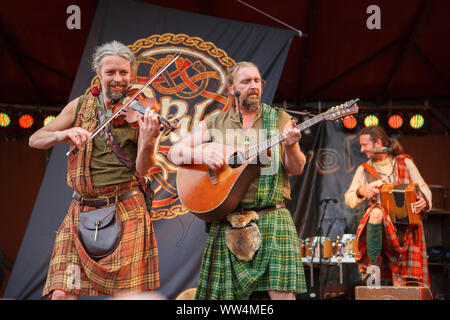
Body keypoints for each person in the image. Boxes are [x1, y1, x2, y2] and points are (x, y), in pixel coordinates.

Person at [29, 41, 161, 299]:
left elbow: (143, 169)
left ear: (131, 74)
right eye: (111, 72)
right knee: (62, 294)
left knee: (127, 296)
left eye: (124, 73)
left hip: (126, 209)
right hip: (81, 211)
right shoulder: (80, 106)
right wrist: (63, 133)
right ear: (98, 73)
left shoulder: (141, 111)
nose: (118, 79)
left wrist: (148, 140)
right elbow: (35, 139)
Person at [168, 61, 307, 300]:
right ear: (232, 89)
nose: (254, 86)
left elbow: (296, 168)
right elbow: (174, 153)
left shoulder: (279, 119)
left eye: (256, 81)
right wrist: (200, 154)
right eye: (246, 82)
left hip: (272, 218)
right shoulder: (215, 123)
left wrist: (291, 147)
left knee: (282, 295)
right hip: (227, 222)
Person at [345, 126, 432, 287]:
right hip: (380, 232)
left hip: (405, 230)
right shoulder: (363, 170)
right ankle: (373, 266)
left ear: (378, 143)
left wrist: (424, 201)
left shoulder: (404, 162)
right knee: (376, 212)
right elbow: (350, 199)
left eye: (365, 145)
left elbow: (423, 187)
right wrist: (361, 190)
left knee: (404, 283)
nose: (362, 149)